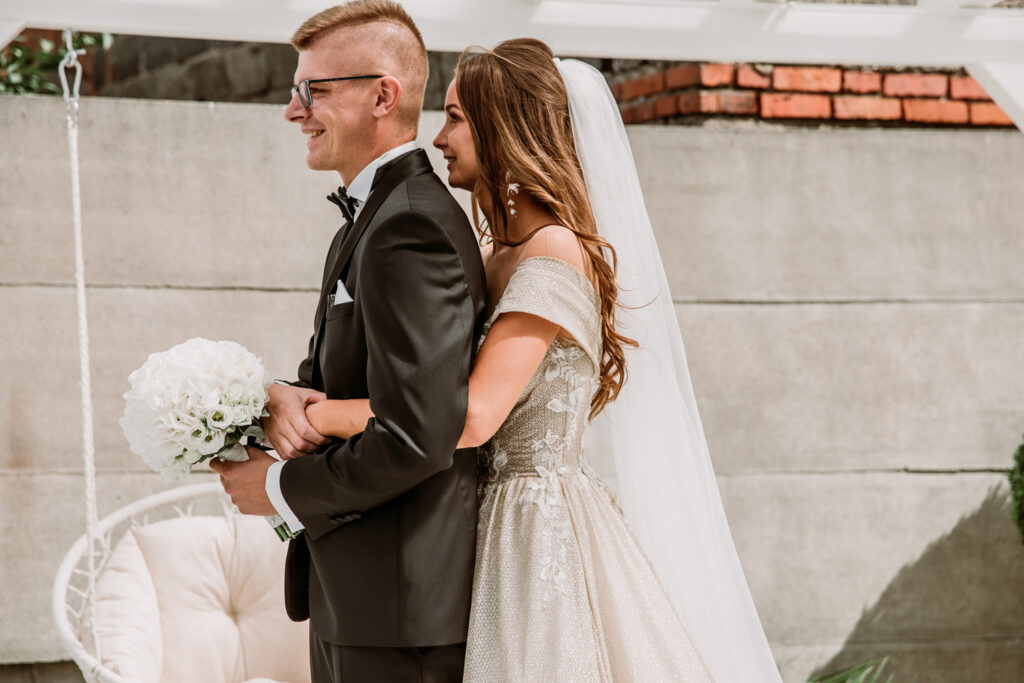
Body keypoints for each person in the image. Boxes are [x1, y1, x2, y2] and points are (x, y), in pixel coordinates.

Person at [306, 39, 783, 681]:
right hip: (477, 517)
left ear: (505, 128)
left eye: (456, 118)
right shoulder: (491, 253)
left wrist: (321, 416)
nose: (439, 138)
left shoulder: (554, 251)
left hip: (535, 525)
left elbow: (473, 416)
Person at [211, 2, 486, 681]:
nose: (292, 111)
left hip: (402, 613)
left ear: (382, 97)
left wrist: (279, 486)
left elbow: (418, 433)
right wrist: (277, 397)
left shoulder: (411, 227)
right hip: (359, 601)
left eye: (312, 90)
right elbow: (341, 385)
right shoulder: (367, 222)